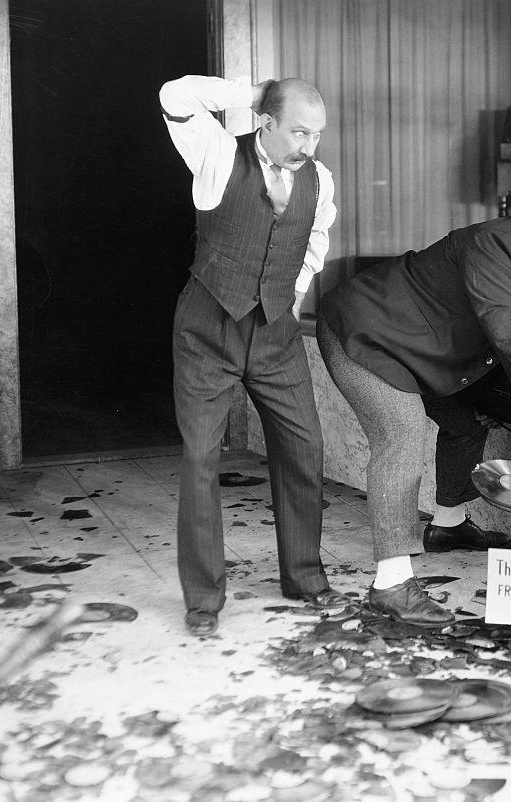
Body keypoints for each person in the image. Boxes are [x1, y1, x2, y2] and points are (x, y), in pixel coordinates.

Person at [316, 162, 511, 627]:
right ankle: (391, 585)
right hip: (365, 332)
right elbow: (508, 333)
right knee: (402, 438)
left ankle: (447, 527)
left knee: (466, 424)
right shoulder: (492, 242)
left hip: (421, 351)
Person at [160, 75, 344, 637]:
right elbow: (175, 97)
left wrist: (286, 295)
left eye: (316, 134)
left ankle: (304, 577)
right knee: (200, 458)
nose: (308, 145)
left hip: (275, 331)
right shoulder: (217, 152)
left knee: (304, 445)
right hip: (207, 327)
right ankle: (204, 599)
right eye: (298, 131)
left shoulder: (320, 179)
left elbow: (315, 244)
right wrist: (256, 91)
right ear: (264, 121)